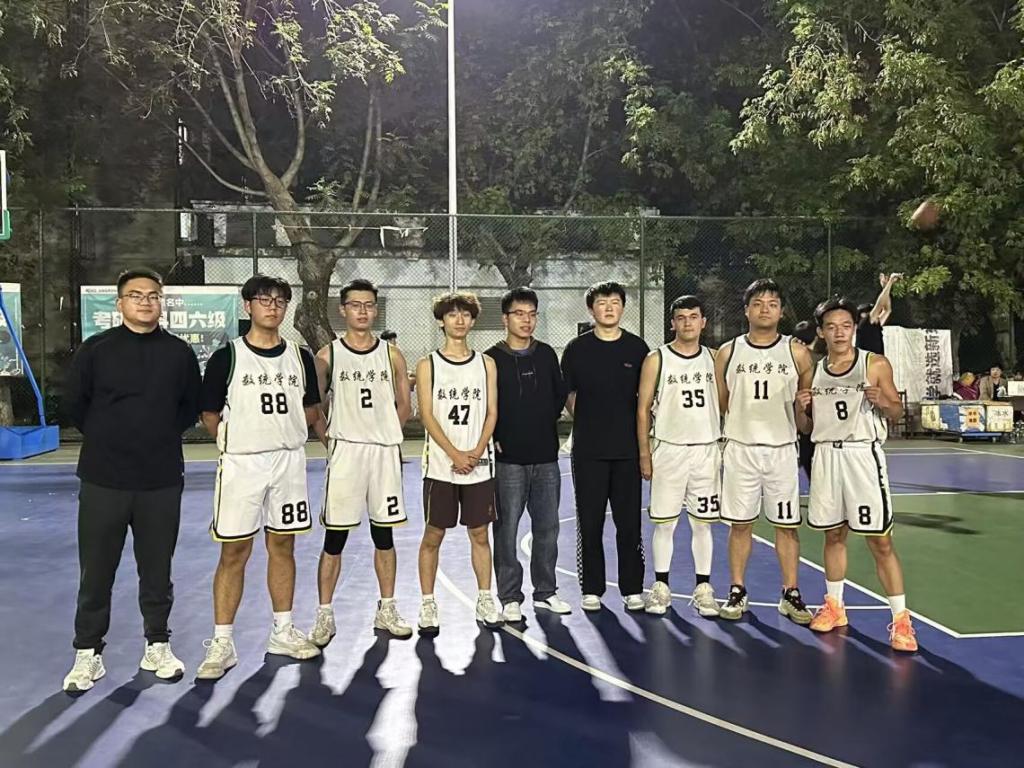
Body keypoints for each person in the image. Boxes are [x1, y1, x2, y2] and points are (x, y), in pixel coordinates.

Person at [62, 268, 201, 693]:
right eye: (136, 295)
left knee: (157, 571)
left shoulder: (179, 353)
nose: (145, 301)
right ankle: (88, 652)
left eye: (153, 295)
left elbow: (189, 407)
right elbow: (75, 405)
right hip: (103, 479)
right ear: (120, 303)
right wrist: (111, 439)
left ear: (162, 302)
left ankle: (157, 644)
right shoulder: (96, 350)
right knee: (96, 571)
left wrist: (155, 438)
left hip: (160, 480)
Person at [196, 275, 323, 680]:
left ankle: (283, 630)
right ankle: (222, 641)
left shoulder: (300, 358)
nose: (273, 306)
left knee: (283, 546)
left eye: (280, 301)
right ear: (247, 306)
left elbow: (311, 409)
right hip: (243, 464)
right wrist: (236, 441)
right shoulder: (228, 357)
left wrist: (283, 434)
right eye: (264, 299)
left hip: (287, 462)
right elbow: (210, 414)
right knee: (234, 551)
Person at [801, 297, 917, 651]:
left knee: (880, 541)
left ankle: (901, 620)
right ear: (821, 332)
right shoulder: (812, 372)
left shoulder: (874, 363)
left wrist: (883, 401)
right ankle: (835, 606)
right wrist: (801, 408)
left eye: (846, 326)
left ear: (853, 328)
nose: (839, 333)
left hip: (861, 456)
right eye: (831, 327)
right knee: (833, 535)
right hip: (825, 456)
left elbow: (897, 411)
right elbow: (805, 427)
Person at [308, 280, 414, 647]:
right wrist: (332, 441)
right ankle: (324, 613)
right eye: (355, 305)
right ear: (343, 310)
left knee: (384, 534)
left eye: (369, 305)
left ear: (375, 309)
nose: (363, 311)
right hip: (347, 454)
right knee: (334, 537)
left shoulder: (392, 355)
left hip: (383, 453)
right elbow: (315, 406)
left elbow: (405, 405)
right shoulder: (328, 355)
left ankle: (387, 608)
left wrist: (386, 433)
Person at [715, 279, 815, 624]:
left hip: (782, 450)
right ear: (746, 310)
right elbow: (722, 404)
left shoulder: (797, 353)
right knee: (740, 524)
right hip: (740, 448)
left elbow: (805, 416)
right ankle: (737, 590)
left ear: (782, 311)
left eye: (772, 304)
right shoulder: (728, 352)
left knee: (786, 526)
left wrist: (803, 413)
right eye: (757, 303)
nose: (765, 309)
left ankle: (791, 593)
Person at [416, 292, 503, 633]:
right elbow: (426, 414)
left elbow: (492, 412)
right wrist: (454, 454)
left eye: (465, 314)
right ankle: (427, 603)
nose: (459, 320)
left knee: (480, 533)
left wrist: (477, 451)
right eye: (452, 315)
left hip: (478, 464)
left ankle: (485, 598)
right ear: (441, 321)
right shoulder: (428, 364)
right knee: (433, 534)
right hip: (441, 465)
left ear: (473, 320)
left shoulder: (486, 364)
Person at [561, 281, 649, 612]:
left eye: (615, 302)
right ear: (591, 309)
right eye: (602, 302)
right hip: (589, 452)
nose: (609, 307)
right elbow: (568, 394)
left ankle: (632, 588)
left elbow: (646, 399)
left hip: (627, 451)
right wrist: (588, 420)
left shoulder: (637, 349)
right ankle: (592, 588)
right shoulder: (577, 349)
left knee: (629, 524)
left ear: (623, 307)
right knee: (590, 522)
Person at [486, 287, 571, 623]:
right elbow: (486, 406)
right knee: (506, 530)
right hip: (508, 461)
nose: (526, 320)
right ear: (505, 319)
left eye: (532, 314)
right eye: (519, 314)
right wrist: (497, 436)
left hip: (546, 457)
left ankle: (546, 591)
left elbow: (558, 397)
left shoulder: (546, 354)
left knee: (547, 528)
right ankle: (509, 596)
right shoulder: (491, 359)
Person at [637, 295, 721, 617]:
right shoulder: (656, 359)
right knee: (665, 524)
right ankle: (661, 587)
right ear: (672, 323)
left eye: (693, 316)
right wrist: (644, 453)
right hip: (669, 449)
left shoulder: (715, 358)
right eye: (681, 317)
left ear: (703, 322)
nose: (688, 323)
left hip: (706, 449)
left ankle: (704, 589)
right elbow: (642, 409)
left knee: (703, 525)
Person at [792, 320, 823, 481]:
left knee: (806, 457)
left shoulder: (794, 358)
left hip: (801, 413)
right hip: (818, 415)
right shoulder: (823, 360)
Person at [856, 273, 902, 355]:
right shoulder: (864, 324)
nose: (877, 314)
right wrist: (890, 281)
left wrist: (885, 288)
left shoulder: (874, 325)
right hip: (868, 362)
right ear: (863, 315)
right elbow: (879, 305)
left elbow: (887, 310)